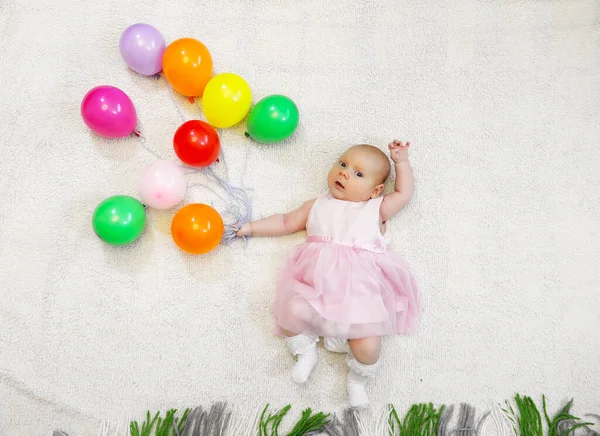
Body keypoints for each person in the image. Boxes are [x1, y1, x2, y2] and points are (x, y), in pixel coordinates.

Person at [236, 140, 422, 409]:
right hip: (316, 293)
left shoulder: (376, 208)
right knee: (290, 310)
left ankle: (357, 382)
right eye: (343, 164)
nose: (345, 173)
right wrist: (252, 227)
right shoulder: (316, 205)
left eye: (358, 174)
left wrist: (401, 162)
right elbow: (286, 222)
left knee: (368, 346)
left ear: (376, 191)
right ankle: (305, 352)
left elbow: (404, 193)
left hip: (360, 299)